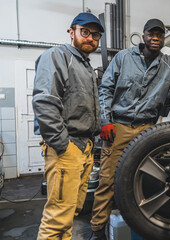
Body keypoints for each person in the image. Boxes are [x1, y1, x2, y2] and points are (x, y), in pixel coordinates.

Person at [89, 18, 170, 239]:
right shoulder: (123, 58)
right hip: (119, 128)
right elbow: (105, 89)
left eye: (160, 34)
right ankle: (97, 230)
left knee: (143, 181)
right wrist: (106, 121)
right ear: (144, 36)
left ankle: (139, 226)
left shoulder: (169, 63)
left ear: (163, 38)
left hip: (147, 131)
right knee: (107, 181)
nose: (156, 38)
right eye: (152, 34)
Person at [32, 12, 104, 240]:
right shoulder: (58, 56)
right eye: (85, 32)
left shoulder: (85, 66)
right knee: (56, 219)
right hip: (68, 148)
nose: (90, 38)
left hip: (83, 148)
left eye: (95, 35)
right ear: (72, 32)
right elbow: (45, 102)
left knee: (70, 212)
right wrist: (63, 145)